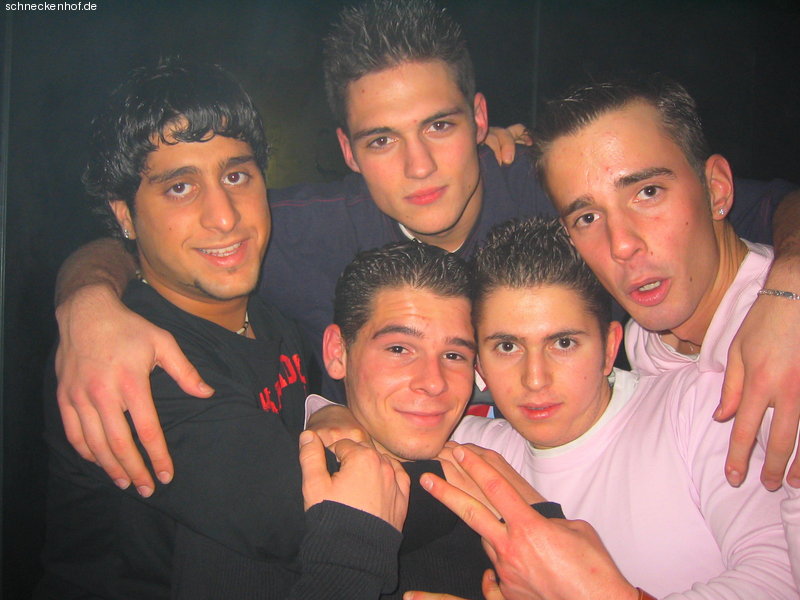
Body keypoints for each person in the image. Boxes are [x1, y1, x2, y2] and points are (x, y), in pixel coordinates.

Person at [53, 0, 799, 497]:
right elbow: (152, 237)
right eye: (383, 140)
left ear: (479, 117)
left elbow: (761, 205)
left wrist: (791, 285)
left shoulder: (555, 187)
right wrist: (88, 305)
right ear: (349, 151)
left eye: (439, 126)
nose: (419, 167)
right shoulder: (293, 232)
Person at [37, 59, 411, 599]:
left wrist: (323, 410)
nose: (224, 216)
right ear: (125, 216)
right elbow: (311, 521)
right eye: (179, 187)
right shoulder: (129, 365)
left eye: (236, 176)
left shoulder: (271, 319)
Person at [414, 77, 800, 600]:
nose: (622, 244)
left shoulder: (787, 338)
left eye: (647, 192)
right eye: (588, 216)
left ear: (716, 189)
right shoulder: (648, 346)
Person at [444, 217, 795, 598]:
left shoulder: (696, 406)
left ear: (610, 348)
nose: (535, 379)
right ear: (479, 365)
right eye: (508, 347)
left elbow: (783, 578)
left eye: (563, 343)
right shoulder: (478, 449)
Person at [304, 240, 563, 599]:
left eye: (454, 355)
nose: (433, 382)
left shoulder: (502, 486)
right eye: (399, 349)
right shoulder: (267, 508)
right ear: (338, 353)